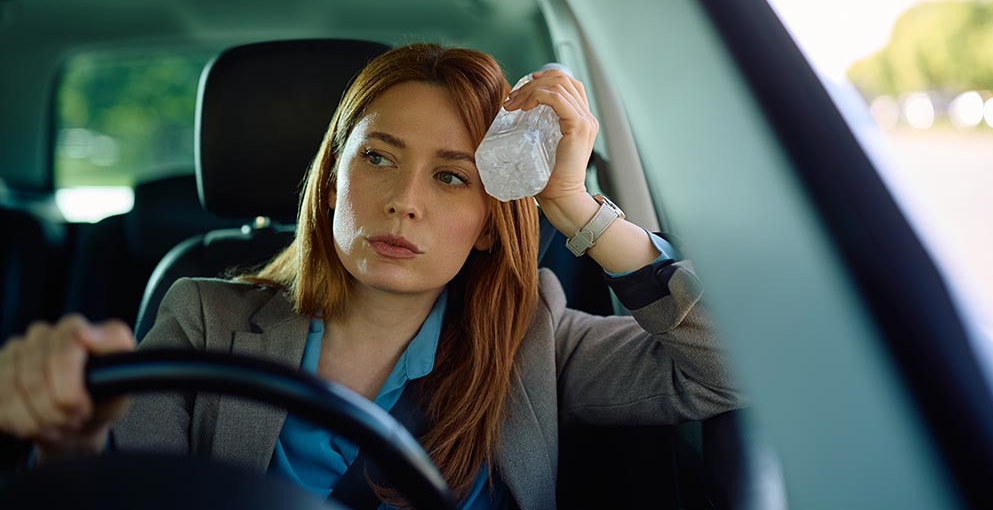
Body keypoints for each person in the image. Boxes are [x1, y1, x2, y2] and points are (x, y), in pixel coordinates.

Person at [0, 44, 740, 509]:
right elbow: (114, 493)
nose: (403, 201)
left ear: (490, 223)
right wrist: (67, 434)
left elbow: (728, 367)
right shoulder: (204, 316)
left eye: (452, 178)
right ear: (330, 184)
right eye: (377, 158)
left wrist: (576, 207)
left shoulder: (532, 337)